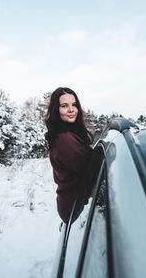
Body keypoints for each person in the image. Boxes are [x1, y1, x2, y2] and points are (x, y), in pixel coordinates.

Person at [45, 87, 101, 223]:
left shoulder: (69, 134)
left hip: (74, 204)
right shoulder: (64, 140)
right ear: (56, 110)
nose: (71, 110)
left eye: (74, 105)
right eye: (64, 106)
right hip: (76, 207)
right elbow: (94, 169)